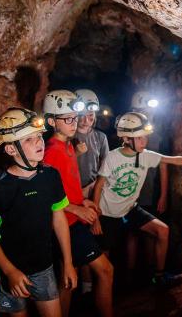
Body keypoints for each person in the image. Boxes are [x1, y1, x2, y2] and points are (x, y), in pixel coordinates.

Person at [92, 111, 182, 288]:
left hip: (129, 210)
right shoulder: (112, 157)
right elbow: (98, 186)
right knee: (105, 257)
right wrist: (95, 216)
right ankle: (102, 291)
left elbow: (175, 160)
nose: (145, 141)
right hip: (106, 214)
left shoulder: (146, 155)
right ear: (127, 139)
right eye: (141, 138)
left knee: (163, 231)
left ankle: (158, 277)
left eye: (145, 137)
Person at [0, 107, 77, 316]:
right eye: (28, 139)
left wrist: (68, 263)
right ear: (10, 149)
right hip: (10, 272)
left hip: (44, 267)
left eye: (39, 136)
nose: (39, 142)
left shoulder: (50, 176)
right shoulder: (0, 187)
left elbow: (59, 219)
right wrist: (10, 271)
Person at [43, 90, 114, 317]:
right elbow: (46, 196)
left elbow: (65, 187)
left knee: (68, 282)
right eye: (67, 119)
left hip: (72, 220)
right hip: (67, 224)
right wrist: (76, 208)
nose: (73, 123)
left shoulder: (68, 146)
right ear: (52, 121)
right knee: (105, 270)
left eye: (74, 117)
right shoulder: (52, 152)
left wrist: (82, 200)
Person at [74, 89, 110, 296]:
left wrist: (94, 189)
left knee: (94, 237)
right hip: (73, 196)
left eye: (91, 114)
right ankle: (83, 285)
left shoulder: (101, 137)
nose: (88, 119)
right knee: (78, 240)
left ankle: (90, 285)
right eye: (83, 114)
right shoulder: (69, 136)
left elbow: (103, 170)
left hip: (93, 193)